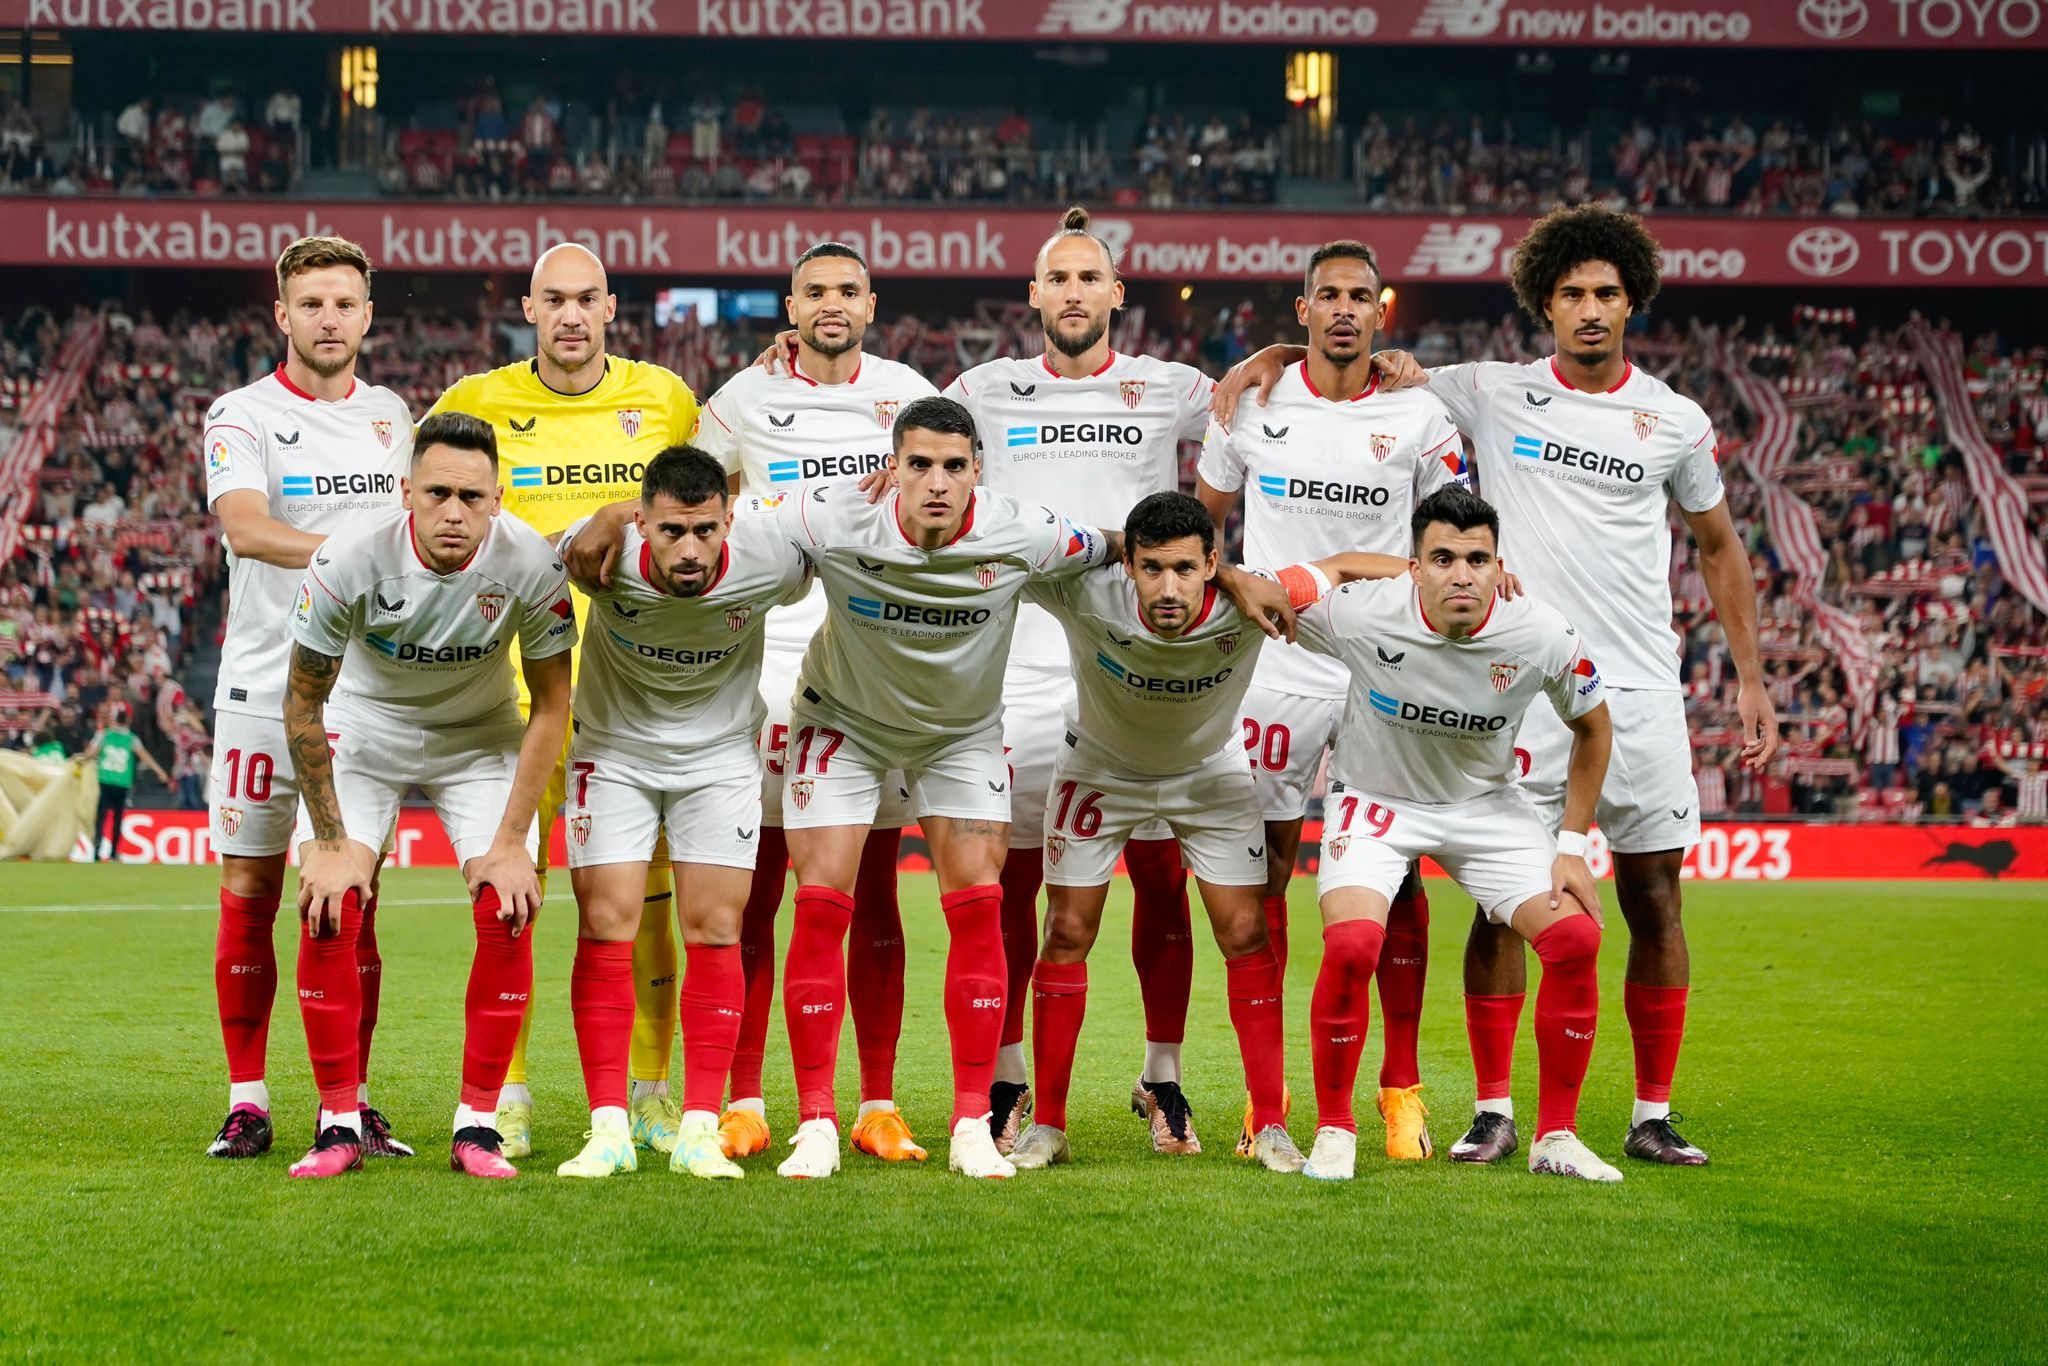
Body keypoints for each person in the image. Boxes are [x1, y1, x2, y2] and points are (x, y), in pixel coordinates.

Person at [1213, 204, 1779, 1167]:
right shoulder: (1494, 390)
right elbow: (1350, 346)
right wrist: (1266, 352)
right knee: (1477, 901)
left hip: (1630, 683)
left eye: (1606, 293)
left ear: (1630, 300)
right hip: (1495, 679)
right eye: (1572, 294)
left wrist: (1753, 680)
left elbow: (1720, 547)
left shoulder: (1675, 420)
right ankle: (1486, 1106)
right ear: (1545, 304)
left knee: (1651, 897)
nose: (1590, 309)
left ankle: (1648, 1112)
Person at [761, 396, 1284, 1181]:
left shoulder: (1026, 531)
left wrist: (1227, 572)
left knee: (979, 904)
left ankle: (973, 1121)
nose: (937, 482)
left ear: (979, 470)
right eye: (919, 465)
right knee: (821, 902)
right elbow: (712, 514)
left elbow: (1116, 546)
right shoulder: (827, 511)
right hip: (844, 725)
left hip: (960, 736)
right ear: (891, 467)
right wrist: (617, 513)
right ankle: (816, 1123)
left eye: (954, 466)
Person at [1008, 491, 1400, 1174]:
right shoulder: (1086, 590)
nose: (1168, 588)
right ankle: (1049, 1124)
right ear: (1128, 564)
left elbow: (1351, 566)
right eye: (1151, 568)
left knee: (1246, 933)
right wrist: (1116, 543)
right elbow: (1013, 541)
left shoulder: (1252, 600)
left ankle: (1272, 1124)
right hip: (1100, 768)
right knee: (1067, 931)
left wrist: (1447, 571)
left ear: (1213, 563)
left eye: (1188, 570)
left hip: (1208, 776)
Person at [943, 207, 1215, 1155]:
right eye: (1056, 280)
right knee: (1017, 881)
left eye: (1087, 279)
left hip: (1138, 658)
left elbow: (1277, 408)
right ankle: (1009, 1076)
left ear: (1115, 295)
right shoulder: (985, 387)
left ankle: (1163, 1076)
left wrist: (1278, 354)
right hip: (1015, 664)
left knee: (1158, 876)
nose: (1072, 294)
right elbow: (896, 425)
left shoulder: (1169, 386)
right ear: (1034, 296)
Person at [426, 243, 701, 1161]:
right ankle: (506, 1095)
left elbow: (700, 507)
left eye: (588, 298)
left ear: (612, 308)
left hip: (635, 693)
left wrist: (618, 517)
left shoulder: (665, 399)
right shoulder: (473, 403)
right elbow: (430, 515)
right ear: (529, 309)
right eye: (555, 300)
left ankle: (652, 1090)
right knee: (510, 899)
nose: (573, 314)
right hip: (515, 695)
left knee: (646, 900)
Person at [1196, 239, 1464, 1161]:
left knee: (1397, 875)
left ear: (1381, 313)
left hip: (1382, 664)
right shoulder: (1251, 404)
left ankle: (1400, 1090)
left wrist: (1349, 579)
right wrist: (1240, 582)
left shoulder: (1422, 416)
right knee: (1260, 874)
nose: (1344, 309)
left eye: (1361, 296)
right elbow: (1205, 536)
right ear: (1301, 309)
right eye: (1328, 296)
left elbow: (1450, 544)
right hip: (1275, 664)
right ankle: (1263, 1101)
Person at [684, 241, 937, 1164]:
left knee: (873, 893)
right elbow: (688, 491)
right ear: (791, 305)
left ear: (872, 302)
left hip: (873, 666)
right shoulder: (744, 399)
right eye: (815, 292)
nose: (832, 305)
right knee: (753, 894)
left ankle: (875, 1103)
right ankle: (748, 1100)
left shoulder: (910, 394)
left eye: (847, 291)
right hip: (760, 662)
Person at [1293, 486, 1618, 1182]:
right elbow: (1275, 596)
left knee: (1576, 939)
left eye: (1478, 559)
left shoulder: (1542, 634)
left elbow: (1594, 727)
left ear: (1501, 567)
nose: (1462, 575)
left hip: (1484, 805)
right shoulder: (1360, 614)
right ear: (1412, 568)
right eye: (1442, 558)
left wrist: (1571, 846)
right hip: (1376, 799)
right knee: (1352, 944)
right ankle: (1334, 1129)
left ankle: (1555, 1137)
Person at [281, 411, 575, 1180]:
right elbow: (303, 703)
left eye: (472, 497)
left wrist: (512, 841)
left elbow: (551, 705)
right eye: (437, 492)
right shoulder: (348, 558)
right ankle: (338, 1120)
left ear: (498, 499)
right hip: (364, 729)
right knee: (331, 900)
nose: (454, 511)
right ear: (406, 491)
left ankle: (478, 1126)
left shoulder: (533, 566)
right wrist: (331, 840)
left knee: (509, 905)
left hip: (477, 735)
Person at [199, 235, 412, 1162]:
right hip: (260, 683)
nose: (329, 319)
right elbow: (246, 529)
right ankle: (248, 1098)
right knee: (250, 891)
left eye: (345, 304)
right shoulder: (240, 413)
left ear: (368, 317)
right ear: (282, 316)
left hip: (362, 694)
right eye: (311, 304)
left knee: (354, 896)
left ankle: (349, 1099)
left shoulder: (392, 416)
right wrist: (353, 552)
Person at [550, 447, 812, 1182]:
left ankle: (699, 1127)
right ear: (641, 523)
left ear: (730, 519)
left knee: (718, 929)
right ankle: (607, 1129)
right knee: (607, 922)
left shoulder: (770, 558)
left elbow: (846, 545)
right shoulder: (601, 553)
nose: (690, 549)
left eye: (705, 529)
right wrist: (592, 524)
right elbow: (519, 559)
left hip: (722, 759)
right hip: (615, 754)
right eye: (671, 532)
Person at [85, 703, 169, 861]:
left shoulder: (104, 734)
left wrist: (80, 760)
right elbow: (145, 756)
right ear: (127, 720)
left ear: (114, 718)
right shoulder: (131, 738)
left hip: (105, 779)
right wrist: (160, 772)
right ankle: (114, 852)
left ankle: (96, 851)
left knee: (101, 817)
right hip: (122, 782)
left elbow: (91, 753)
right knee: (117, 818)